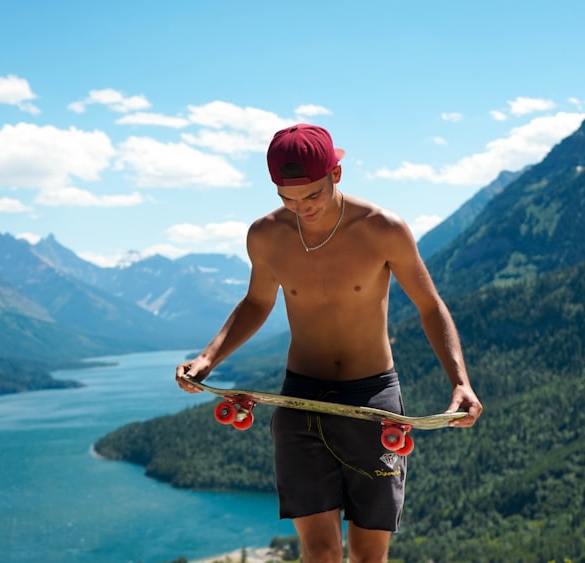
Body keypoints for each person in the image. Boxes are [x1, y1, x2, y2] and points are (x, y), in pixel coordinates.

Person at [177, 123, 482, 563]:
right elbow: (256, 303)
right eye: (287, 197)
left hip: (372, 398)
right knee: (320, 554)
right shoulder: (266, 235)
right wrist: (207, 357)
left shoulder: (383, 228)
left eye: (312, 195)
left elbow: (430, 306)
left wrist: (461, 382)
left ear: (335, 175)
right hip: (300, 397)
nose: (301, 208)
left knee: (368, 557)